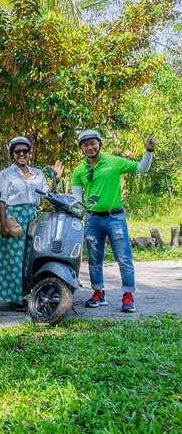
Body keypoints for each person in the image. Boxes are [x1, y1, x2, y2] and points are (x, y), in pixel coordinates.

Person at [72, 129, 156, 313]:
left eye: (93, 143)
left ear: (99, 143)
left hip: (115, 217)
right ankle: (98, 293)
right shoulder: (79, 170)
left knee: (124, 258)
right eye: (85, 145)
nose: (90, 147)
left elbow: (142, 168)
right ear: (82, 148)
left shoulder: (114, 162)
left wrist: (148, 151)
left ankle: (128, 296)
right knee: (94, 259)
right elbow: (77, 198)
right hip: (92, 219)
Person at [0, 137, 63, 310]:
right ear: (12, 154)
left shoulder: (37, 173)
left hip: (32, 217)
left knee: (29, 257)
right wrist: (3, 224)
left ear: (29, 153)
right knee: (14, 259)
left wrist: (56, 180)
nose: (22, 154)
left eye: (25, 151)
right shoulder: (6, 174)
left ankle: (26, 292)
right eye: (18, 151)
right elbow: (2, 200)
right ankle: (16, 298)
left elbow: (45, 194)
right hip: (14, 217)